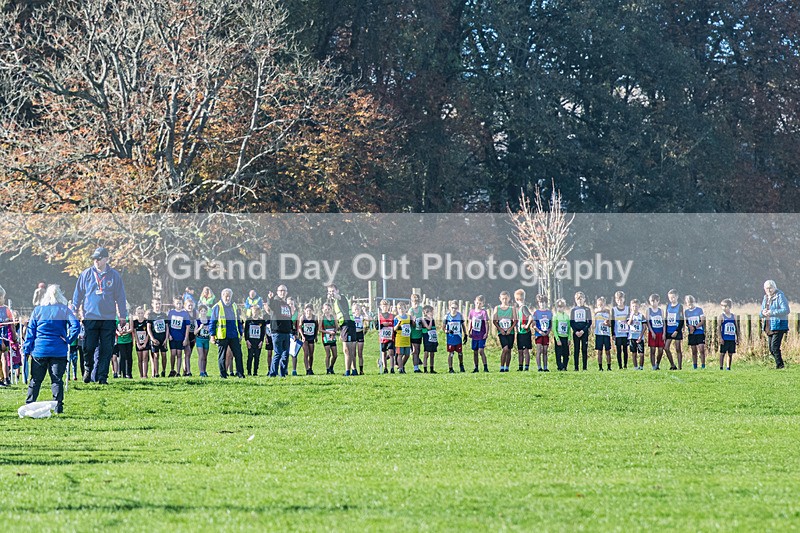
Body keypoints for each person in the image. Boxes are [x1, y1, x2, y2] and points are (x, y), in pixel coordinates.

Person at [72, 247, 127, 384]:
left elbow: (120, 296)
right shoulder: (86, 274)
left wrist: (122, 315)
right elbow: (77, 294)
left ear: (106, 259)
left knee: (106, 349)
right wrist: (74, 311)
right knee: (88, 347)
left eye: (99, 258)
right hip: (90, 317)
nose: (96, 261)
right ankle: (88, 368)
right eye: (94, 259)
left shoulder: (114, 275)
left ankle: (102, 376)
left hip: (108, 318)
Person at [23, 285, 80, 413]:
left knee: (35, 380)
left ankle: (29, 405)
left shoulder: (38, 310)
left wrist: (27, 349)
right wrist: (69, 339)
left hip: (40, 350)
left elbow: (30, 332)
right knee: (57, 380)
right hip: (58, 350)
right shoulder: (64, 309)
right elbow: (76, 325)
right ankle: (58, 407)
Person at [209, 288, 244, 379]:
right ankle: (223, 374)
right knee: (222, 356)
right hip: (222, 336)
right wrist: (212, 336)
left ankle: (240, 373)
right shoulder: (217, 307)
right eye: (226, 296)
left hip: (234, 334)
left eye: (229, 296)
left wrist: (240, 333)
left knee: (238, 355)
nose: (228, 298)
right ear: (222, 296)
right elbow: (212, 322)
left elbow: (238, 321)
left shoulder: (234, 306)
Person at [327, 284, 357, 376]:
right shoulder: (336, 302)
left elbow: (338, 297)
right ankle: (354, 370)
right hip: (347, 325)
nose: (332, 293)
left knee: (346, 350)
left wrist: (333, 295)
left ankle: (347, 371)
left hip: (347, 325)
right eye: (330, 292)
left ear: (337, 291)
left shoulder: (341, 298)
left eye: (333, 291)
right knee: (351, 350)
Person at [266, 285, 295, 377]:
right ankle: (273, 373)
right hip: (277, 332)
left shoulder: (287, 305)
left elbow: (289, 319)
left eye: (284, 291)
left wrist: (293, 331)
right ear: (277, 292)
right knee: (278, 353)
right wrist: (269, 298)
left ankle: (282, 374)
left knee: (285, 355)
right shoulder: (275, 302)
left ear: (286, 293)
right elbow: (270, 304)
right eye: (281, 290)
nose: (282, 292)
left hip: (286, 333)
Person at [761, 280, 789, 369]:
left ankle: (780, 366)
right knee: (771, 349)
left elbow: (786, 310)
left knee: (774, 347)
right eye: (767, 288)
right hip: (769, 326)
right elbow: (761, 313)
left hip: (778, 325)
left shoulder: (780, 296)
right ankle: (780, 364)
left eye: (770, 288)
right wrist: (763, 313)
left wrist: (772, 312)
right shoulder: (765, 298)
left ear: (774, 287)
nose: (769, 290)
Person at [167, 296, 191, 377]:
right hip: (172, 337)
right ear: (174, 304)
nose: (178, 305)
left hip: (181, 337)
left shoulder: (184, 313)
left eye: (180, 303)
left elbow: (188, 326)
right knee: (173, 353)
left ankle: (178, 371)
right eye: (177, 303)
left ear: (182, 304)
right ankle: (172, 369)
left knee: (179, 354)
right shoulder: (171, 313)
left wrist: (186, 338)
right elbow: (168, 325)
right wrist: (169, 335)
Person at [0, 285, 18, 387]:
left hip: (4, 336)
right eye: (3, 297)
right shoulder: (6, 309)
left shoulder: (6, 309)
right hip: (4, 336)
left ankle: (5, 378)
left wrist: (14, 337)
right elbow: (11, 325)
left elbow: (11, 324)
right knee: (4, 357)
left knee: (4, 357)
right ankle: (5, 378)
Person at [494, 291, 515, 373]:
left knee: (509, 349)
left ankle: (507, 367)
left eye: (506, 298)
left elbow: (515, 320)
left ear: (509, 298)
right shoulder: (497, 308)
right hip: (502, 332)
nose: (504, 300)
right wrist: (500, 329)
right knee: (505, 349)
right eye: (503, 299)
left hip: (510, 332)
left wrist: (510, 328)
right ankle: (502, 366)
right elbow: (494, 321)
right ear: (500, 299)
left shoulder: (512, 308)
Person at [570, 292, 592, 371]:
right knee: (576, 349)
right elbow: (571, 322)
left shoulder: (587, 309)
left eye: (581, 299)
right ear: (575, 300)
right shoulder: (573, 310)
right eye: (578, 299)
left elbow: (589, 322)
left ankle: (584, 367)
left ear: (584, 299)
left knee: (584, 349)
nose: (580, 300)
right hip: (576, 332)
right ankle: (576, 367)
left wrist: (583, 331)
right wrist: (576, 331)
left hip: (584, 332)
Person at [468, 295, 490, 373]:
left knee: (481, 351)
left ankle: (485, 367)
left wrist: (486, 333)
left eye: (480, 303)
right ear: (474, 302)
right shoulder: (472, 312)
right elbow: (470, 322)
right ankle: (476, 367)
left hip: (481, 334)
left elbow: (487, 323)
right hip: (474, 334)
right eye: (477, 303)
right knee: (475, 351)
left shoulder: (483, 312)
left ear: (483, 304)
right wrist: (469, 330)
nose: (478, 304)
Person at [444, 300, 466, 373]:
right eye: (452, 308)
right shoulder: (447, 316)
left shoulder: (460, 315)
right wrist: (447, 331)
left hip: (458, 338)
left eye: (455, 308)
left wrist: (465, 334)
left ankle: (461, 365)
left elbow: (463, 325)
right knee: (451, 353)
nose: (454, 309)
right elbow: (443, 328)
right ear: (450, 307)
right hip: (450, 339)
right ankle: (450, 368)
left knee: (460, 353)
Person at [147, 299, 168, 377]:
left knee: (164, 355)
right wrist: (152, 338)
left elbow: (167, 327)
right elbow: (148, 328)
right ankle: (156, 373)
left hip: (163, 338)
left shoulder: (164, 315)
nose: (158, 306)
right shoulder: (151, 315)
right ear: (153, 305)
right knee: (156, 356)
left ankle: (163, 371)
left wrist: (166, 339)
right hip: (155, 338)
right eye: (156, 304)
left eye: (159, 304)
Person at [684, 295, 706, 369]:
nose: (690, 305)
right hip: (692, 333)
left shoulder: (699, 310)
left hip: (699, 332)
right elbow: (686, 322)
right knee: (694, 350)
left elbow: (702, 320)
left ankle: (703, 365)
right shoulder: (686, 312)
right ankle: (695, 366)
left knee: (701, 349)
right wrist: (689, 326)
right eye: (688, 304)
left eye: (691, 303)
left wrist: (695, 327)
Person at [664, 289, 684, 370]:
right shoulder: (667, 306)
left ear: (677, 297)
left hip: (677, 330)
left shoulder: (680, 306)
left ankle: (680, 367)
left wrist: (677, 330)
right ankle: (672, 365)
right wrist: (665, 331)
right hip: (669, 330)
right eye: (670, 297)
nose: (672, 299)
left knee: (678, 348)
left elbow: (682, 320)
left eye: (673, 297)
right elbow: (666, 318)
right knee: (666, 348)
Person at [533, 294, 552, 372]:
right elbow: (533, 325)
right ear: (538, 303)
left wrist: (548, 331)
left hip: (546, 334)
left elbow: (551, 325)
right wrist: (539, 331)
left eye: (544, 302)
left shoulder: (549, 313)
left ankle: (545, 367)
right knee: (539, 350)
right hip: (539, 334)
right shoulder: (536, 313)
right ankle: (539, 367)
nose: (542, 304)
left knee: (545, 350)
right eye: (540, 302)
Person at [514, 289, 533, 371]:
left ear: (516, 299)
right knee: (520, 350)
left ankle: (526, 367)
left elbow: (530, 317)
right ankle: (520, 367)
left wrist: (527, 325)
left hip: (525, 332)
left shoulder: (523, 308)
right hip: (520, 333)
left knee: (525, 350)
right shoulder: (519, 309)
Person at [646, 294, 666, 370]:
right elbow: (648, 323)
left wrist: (664, 333)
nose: (653, 303)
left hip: (660, 332)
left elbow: (663, 323)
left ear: (658, 301)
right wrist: (652, 332)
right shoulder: (649, 311)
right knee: (653, 350)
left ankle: (658, 363)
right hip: (653, 332)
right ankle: (653, 366)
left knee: (661, 350)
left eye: (655, 301)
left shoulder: (661, 311)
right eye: (652, 301)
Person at [245, 306, 266, 376]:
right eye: (254, 311)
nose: (255, 313)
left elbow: (263, 332)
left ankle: (255, 371)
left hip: (258, 341)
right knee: (250, 356)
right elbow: (246, 332)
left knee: (257, 357)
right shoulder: (248, 321)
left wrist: (261, 341)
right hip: (250, 341)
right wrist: (247, 340)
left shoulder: (261, 321)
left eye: (256, 311)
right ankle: (249, 371)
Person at [610, 291, 629, 369]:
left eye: (621, 299)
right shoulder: (614, 309)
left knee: (625, 349)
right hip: (617, 333)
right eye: (618, 300)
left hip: (626, 333)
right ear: (616, 300)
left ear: (624, 299)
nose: (619, 301)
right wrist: (613, 333)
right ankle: (620, 366)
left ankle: (625, 365)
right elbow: (612, 322)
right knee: (618, 350)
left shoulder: (628, 309)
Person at [719, 299, 739, 371]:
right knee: (722, 353)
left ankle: (728, 367)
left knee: (730, 354)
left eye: (725, 306)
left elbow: (736, 327)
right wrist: (720, 337)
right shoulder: (722, 316)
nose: (723, 308)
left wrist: (737, 337)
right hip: (724, 338)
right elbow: (719, 327)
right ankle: (721, 367)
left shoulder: (734, 316)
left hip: (732, 338)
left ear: (729, 307)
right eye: (722, 306)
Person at [393, 301, 413, 374]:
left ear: (405, 309)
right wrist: (398, 325)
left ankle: (401, 365)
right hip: (399, 339)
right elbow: (394, 329)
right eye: (399, 309)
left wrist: (413, 321)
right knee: (400, 354)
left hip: (407, 339)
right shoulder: (397, 318)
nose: (401, 310)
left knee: (407, 355)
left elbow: (412, 325)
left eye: (402, 308)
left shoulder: (408, 317)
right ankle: (401, 369)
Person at [627, 299, 647, 370]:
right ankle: (635, 367)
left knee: (641, 354)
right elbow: (629, 323)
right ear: (631, 307)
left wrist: (640, 336)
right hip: (632, 336)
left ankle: (641, 367)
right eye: (633, 306)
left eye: (636, 306)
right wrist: (632, 315)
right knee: (634, 353)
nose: (634, 308)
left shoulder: (641, 316)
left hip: (640, 337)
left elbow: (644, 327)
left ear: (639, 307)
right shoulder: (629, 315)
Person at [376, 300, 395, 373]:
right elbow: (376, 326)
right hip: (383, 338)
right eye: (383, 306)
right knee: (383, 352)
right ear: (381, 307)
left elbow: (394, 325)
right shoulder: (379, 316)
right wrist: (383, 325)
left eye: (386, 306)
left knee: (391, 352)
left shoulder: (392, 316)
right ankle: (385, 368)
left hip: (390, 337)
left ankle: (392, 368)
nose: (385, 307)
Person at [593, 297, 611, 371]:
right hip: (598, 334)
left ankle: (609, 367)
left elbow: (610, 324)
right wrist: (599, 309)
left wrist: (607, 323)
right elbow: (595, 312)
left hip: (606, 334)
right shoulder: (596, 312)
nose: (601, 306)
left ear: (605, 304)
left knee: (607, 351)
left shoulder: (608, 312)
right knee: (599, 351)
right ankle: (600, 367)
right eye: (599, 304)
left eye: (602, 304)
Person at [299, 304, 318, 375]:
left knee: (311, 354)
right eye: (307, 311)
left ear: (312, 311)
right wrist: (302, 336)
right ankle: (307, 369)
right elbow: (299, 327)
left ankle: (310, 368)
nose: (308, 312)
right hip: (305, 337)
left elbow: (316, 327)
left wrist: (316, 336)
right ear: (305, 311)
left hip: (311, 337)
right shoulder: (302, 318)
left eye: (310, 311)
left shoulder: (315, 318)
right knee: (306, 353)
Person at [552, 298, 570, 371]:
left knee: (566, 354)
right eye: (559, 307)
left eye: (561, 307)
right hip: (559, 337)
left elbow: (569, 328)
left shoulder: (567, 316)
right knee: (558, 354)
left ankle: (565, 366)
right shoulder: (555, 316)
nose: (560, 308)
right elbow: (554, 329)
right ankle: (559, 366)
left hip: (565, 337)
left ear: (564, 307)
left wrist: (569, 338)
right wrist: (557, 339)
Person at [132, 306, 150, 379]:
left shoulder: (146, 322)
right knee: (140, 359)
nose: (140, 315)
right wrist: (137, 343)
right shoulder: (135, 322)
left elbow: (148, 333)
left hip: (145, 342)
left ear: (144, 313)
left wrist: (145, 343)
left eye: (142, 313)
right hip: (138, 343)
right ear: (136, 314)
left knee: (145, 358)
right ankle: (141, 374)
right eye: (139, 313)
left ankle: (145, 375)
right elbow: (135, 333)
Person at [409, 293, 425, 372]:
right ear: (411, 301)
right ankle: (415, 368)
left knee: (418, 350)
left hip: (420, 332)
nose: (415, 303)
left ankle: (417, 366)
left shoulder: (421, 309)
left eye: (417, 302)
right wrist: (413, 321)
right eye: (414, 302)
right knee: (415, 351)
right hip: (413, 333)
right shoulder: (411, 310)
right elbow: (411, 324)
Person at [116, 311, 134, 379]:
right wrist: (118, 333)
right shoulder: (115, 317)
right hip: (120, 341)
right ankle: (121, 373)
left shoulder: (129, 316)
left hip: (128, 340)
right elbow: (114, 328)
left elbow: (131, 328)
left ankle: (129, 373)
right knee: (122, 356)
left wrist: (125, 332)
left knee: (129, 357)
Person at [321, 303, 338, 374]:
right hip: (325, 337)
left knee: (335, 355)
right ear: (323, 310)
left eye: (328, 309)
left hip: (332, 337)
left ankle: (331, 367)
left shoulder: (333, 317)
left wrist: (334, 332)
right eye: (325, 309)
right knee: (328, 354)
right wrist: (328, 333)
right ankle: (327, 369)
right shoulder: (322, 317)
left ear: (331, 309)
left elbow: (337, 326)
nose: (327, 311)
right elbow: (319, 329)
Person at [195, 304, 211, 377]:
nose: (203, 312)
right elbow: (195, 332)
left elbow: (212, 330)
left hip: (206, 339)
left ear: (207, 312)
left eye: (205, 311)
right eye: (202, 311)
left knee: (205, 356)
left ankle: (204, 371)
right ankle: (201, 371)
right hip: (199, 339)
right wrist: (199, 328)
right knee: (201, 356)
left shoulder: (209, 320)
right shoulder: (197, 321)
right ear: (199, 312)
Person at [421, 305, 438, 373]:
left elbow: (434, 328)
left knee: (432, 353)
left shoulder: (433, 319)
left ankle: (431, 368)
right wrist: (430, 320)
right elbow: (428, 327)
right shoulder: (423, 319)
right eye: (431, 312)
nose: (432, 313)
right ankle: (425, 368)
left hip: (433, 337)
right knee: (426, 353)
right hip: (427, 337)